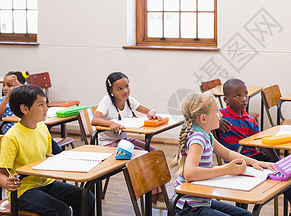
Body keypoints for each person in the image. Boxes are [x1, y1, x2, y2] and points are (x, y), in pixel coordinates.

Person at [217, 78, 291, 216]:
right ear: (226, 100)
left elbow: (261, 143)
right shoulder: (221, 115)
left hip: (256, 160)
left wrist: (279, 163)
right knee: (289, 179)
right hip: (239, 162)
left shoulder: (251, 120)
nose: (244, 99)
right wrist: (217, 118)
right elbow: (197, 112)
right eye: (238, 96)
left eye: (246, 94)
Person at [170, 92, 275, 216]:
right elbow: (190, 173)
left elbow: (227, 153)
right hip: (189, 207)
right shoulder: (197, 139)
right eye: (217, 112)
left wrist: (254, 162)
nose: (220, 115)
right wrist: (226, 170)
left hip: (202, 201)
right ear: (203, 118)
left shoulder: (206, 134)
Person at [0, 84, 95, 216]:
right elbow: (1, 173)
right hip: (23, 190)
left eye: (46, 104)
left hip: (45, 182)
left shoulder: (42, 128)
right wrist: (6, 184)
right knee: (61, 211)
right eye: (41, 105)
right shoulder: (12, 137)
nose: (46, 109)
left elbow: (46, 155)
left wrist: (54, 160)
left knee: (87, 198)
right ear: (24, 109)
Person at [91, 71, 166, 208]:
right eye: (120, 89)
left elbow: (148, 110)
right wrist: (110, 123)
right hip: (109, 145)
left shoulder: (129, 101)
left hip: (124, 142)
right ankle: (153, 196)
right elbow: (95, 120)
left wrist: (151, 114)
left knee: (154, 152)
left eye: (127, 86)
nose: (125, 91)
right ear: (111, 91)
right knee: (144, 158)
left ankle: (157, 195)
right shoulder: (106, 101)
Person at [0, 71, 63, 155]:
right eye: (3, 85)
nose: (5, 88)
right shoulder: (2, 100)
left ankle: (61, 155)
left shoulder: (22, 99)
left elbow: (27, 93)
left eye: (9, 85)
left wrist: (18, 86)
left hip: (30, 127)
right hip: (15, 130)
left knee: (44, 136)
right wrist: (8, 96)